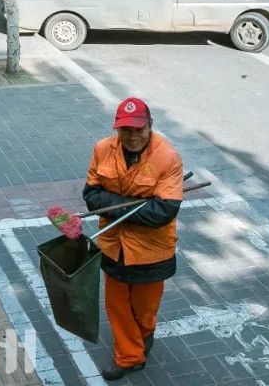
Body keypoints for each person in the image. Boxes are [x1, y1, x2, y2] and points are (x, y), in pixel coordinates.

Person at [82, 97, 184, 381]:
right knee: (116, 304)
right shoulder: (102, 149)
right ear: (117, 129)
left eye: (139, 129)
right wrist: (135, 203)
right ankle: (129, 356)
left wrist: (116, 204)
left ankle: (144, 333)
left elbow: (162, 212)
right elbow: (91, 195)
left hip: (152, 250)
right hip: (113, 245)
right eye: (125, 130)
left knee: (145, 308)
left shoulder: (168, 157)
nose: (132, 136)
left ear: (150, 125)